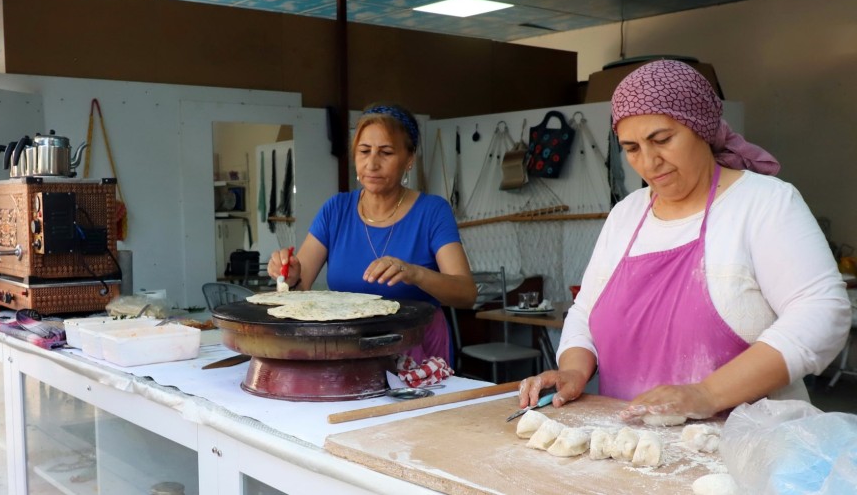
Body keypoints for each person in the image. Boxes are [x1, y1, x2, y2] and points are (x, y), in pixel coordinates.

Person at [519, 60, 850, 421]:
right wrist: (574, 370)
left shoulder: (764, 203)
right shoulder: (627, 215)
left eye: (661, 140)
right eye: (631, 148)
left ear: (702, 129)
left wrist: (706, 393)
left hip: (749, 453)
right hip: (629, 449)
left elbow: (821, 313)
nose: (649, 163)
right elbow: (585, 311)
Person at [267, 103, 478, 363]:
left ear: (409, 159)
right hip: (349, 349)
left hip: (416, 350)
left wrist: (415, 273)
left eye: (386, 152)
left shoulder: (432, 212)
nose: (372, 163)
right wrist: (290, 277)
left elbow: (467, 294)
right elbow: (299, 294)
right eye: (364, 151)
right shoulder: (336, 210)